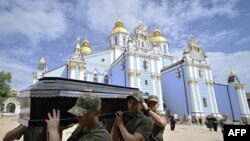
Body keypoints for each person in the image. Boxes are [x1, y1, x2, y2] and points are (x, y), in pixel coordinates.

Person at [46, 93, 112, 141]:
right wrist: (59, 130)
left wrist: (53, 130)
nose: (77, 117)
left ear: (96, 112)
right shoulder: (81, 129)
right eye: (77, 113)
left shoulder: (101, 137)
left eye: (82, 113)